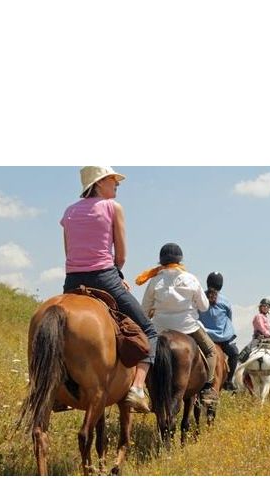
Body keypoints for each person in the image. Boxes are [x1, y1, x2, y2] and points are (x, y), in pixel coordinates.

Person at [60, 166, 157, 413]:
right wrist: (118, 275)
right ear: (100, 182)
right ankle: (136, 388)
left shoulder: (69, 212)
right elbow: (121, 255)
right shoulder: (113, 208)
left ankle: (59, 391)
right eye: (113, 180)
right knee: (149, 330)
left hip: (72, 281)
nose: (117, 184)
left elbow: (68, 252)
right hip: (104, 278)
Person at [137, 243, 219, 404]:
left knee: (139, 352)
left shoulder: (154, 281)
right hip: (188, 327)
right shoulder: (191, 278)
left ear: (161, 261)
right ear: (180, 260)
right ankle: (208, 387)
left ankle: (136, 386)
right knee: (211, 351)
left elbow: (144, 310)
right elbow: (204, 306)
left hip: (160, 328)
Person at [198, 272, 240, 391]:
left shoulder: (200, 297)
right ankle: (229, 381)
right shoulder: (225, 301)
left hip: (203, 337)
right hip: (221, 339)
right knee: (234, 353)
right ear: (221, 285)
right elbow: (229, 319)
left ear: (207, 283)